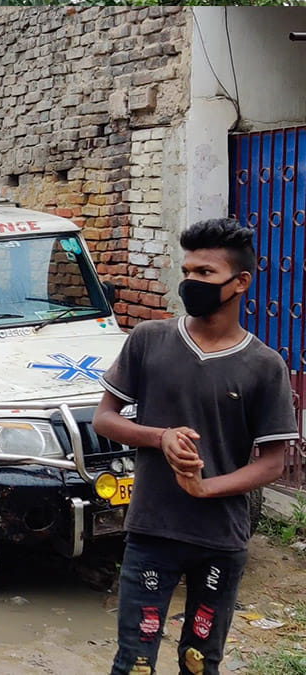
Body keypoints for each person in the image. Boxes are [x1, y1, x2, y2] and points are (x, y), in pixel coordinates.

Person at [93, 218, 297, 675]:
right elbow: (104, 419)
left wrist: (207, 488)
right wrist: (159, 437)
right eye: (187, 271)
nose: (190, 282)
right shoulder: (149, 340)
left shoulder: (264, 366)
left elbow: (271, 464)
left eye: (204, 273)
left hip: (219, 541)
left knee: (200, 662)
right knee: (135, 662)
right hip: (151, 533)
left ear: (240, 282)